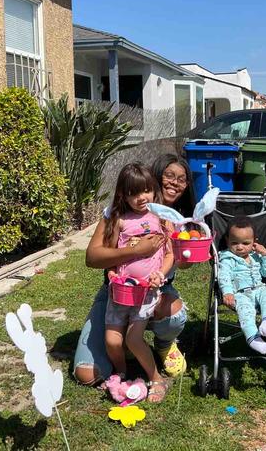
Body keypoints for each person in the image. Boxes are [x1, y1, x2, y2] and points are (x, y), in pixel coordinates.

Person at [73, 154, 194, 385]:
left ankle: (163, 345)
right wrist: (136, 250)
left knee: (173, 312)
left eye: (182, 179)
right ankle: (126, 352)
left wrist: (189, 252)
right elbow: (92, 257)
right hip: (118, 292)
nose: (175, 183)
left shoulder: (173, 219)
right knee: (87, 374)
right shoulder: (118, 215)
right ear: (154, 178)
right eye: (169, 176)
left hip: (154, 290)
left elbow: (180, 261)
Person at [103, 163, 174, 402]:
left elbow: (169, 255)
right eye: (133, 193)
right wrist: (112, 272)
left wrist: (160, 274)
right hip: (121, 291)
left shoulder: (161, 219)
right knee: (113, 340)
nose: (141, 197)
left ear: (154, 190)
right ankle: (122, 373)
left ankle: (156, 378)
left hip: (146, 292)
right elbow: (111, 254)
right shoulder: (120, 221)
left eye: (146, 190)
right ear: (123, 196)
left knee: (133, 338)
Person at [217, 216, 266, 354]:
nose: (240, 247)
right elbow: (224, 276)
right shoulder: (227, 259)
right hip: (240, 294)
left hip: (259, 289)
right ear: (227, 240)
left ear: (254, 242)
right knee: (245, 311)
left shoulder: (256, 256)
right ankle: (253, 338)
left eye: (245, 243)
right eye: (234, 243)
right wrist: (227, 292)